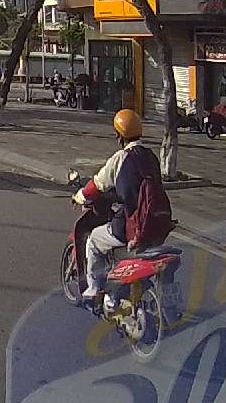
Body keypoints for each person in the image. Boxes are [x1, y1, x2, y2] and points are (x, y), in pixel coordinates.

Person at [71, 110, 168, 305]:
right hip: (158, 223)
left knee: (94, 241)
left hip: (133, 224)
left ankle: (94, 289)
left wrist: (79, 197)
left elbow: (96, 186)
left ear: (119, 136)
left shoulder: (121, 158)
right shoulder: (151, 157)